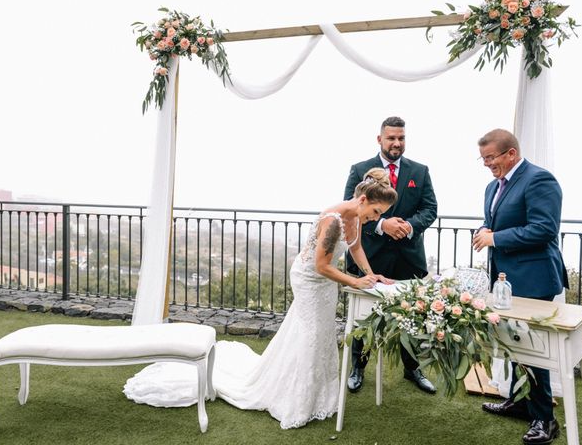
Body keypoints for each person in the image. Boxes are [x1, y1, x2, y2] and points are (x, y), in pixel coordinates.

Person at [124, 168, 397, 429]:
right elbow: (320, 266)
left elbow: (356, 247)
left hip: (326, 283)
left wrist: (372, 276)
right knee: (309, 334)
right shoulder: (332, 220)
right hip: (310, 279)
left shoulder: (357, 219)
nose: (375, 218)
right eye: (375, 212)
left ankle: (318, 396)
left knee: (321, 333)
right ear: (363, 200)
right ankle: (295, 399)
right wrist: (355, 281)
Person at [472, 129, 568, 445]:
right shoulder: (491, 187)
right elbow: (497, 222)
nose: (487, 164)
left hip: (535, 278)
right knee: (514, 342)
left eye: (491, 158)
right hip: (505, 280)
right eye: (483, 158)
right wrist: (486, 229)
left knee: (533, 351)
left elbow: (544, 229)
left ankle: (545, 419)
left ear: (511, 153)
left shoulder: (540, 179)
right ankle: (519, 402)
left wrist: (495, 238)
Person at [344, 116, 438, 394]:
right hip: (370, 256)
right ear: (380, 140)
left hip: (409, 258)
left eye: (401, 138)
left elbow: (430, 209)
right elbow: (352, 209)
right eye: (391, 138)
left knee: (412, 315)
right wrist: (383, 225)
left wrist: (408, 226)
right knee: (364, 318)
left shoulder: (420, 171)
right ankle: (358, 368)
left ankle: (413, 369)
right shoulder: (359, 169)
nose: (397, 143)